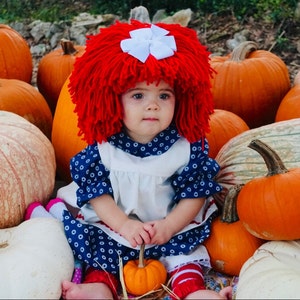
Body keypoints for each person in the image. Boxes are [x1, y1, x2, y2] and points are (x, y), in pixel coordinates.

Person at [25, 20, 232, 299]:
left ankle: (193, 291)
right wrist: (124, 225)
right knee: (103, 261)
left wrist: (170, 226)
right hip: (117, 226)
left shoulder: (186, 147)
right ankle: (100, 288)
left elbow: (194, 195)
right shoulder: (104, 148)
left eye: (164, 95)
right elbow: (97, 195)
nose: (153, 104)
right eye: (138, 95)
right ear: (113, 100)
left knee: (185, 262)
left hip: (169, 228)